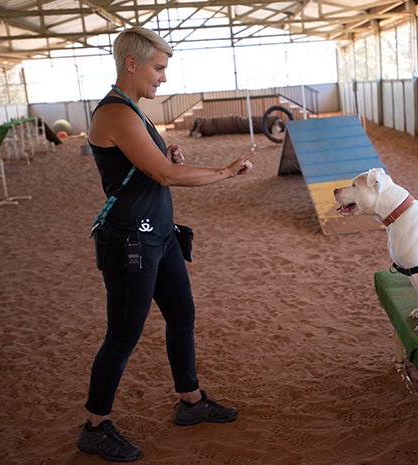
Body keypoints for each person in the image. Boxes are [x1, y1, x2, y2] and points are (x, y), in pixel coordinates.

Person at [77, 27, 254, 462]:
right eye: (158, 68)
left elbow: (154, 170)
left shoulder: (136, 111)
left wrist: (169, 159)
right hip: (129, 243)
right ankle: (94, 425)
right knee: (122, 337)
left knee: (182, 316)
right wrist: (225, 172)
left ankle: (190, 401)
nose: (163, 78)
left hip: (159, 234)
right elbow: (166, 177)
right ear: (131, 64)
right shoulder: (116, 113)